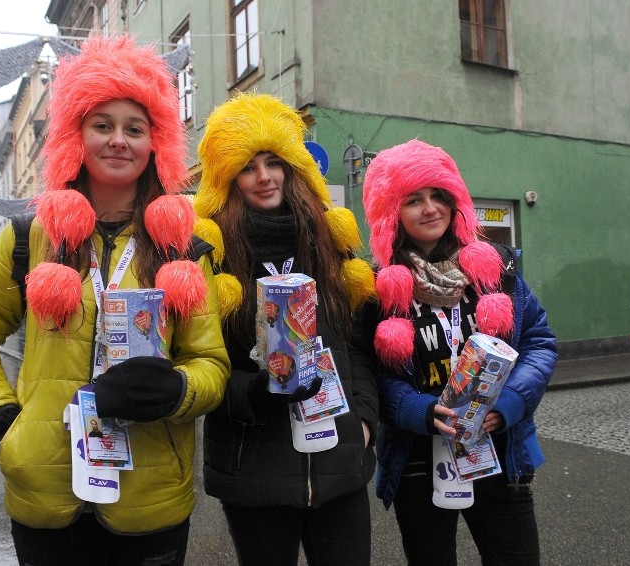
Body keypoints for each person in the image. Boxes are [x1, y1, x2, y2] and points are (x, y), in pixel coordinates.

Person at [0, 36, 229, 566]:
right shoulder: (30, 237)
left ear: (155, 142)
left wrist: (177, 390)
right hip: (46, 492)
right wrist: (3, 424)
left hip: (151, 494)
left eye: (135, 129)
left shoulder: (181, 248)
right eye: (102, 125)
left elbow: (211, 364)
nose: (119, 141)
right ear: (77, 135)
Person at [193, 92, 378, 566]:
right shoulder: (209, 256)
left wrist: (364, 419)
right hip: (253, 466)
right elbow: (200, 360)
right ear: (227, 177)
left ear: (292, 167)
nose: (264, 177)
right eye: (248, 165)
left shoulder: (328, 244)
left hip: (339, 460)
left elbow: (357, 345)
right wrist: (252, 393)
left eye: (273, 162)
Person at [363, 139, 557, 565]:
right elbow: (373, 372)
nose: (430, 208)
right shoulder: (377, 289)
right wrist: (417, 410)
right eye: (413, 200)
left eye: (438, 196)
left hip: (499, 449)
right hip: (419, 457)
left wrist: (511, 402)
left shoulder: (495, 270)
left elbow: (539, 343)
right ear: (391, 214)